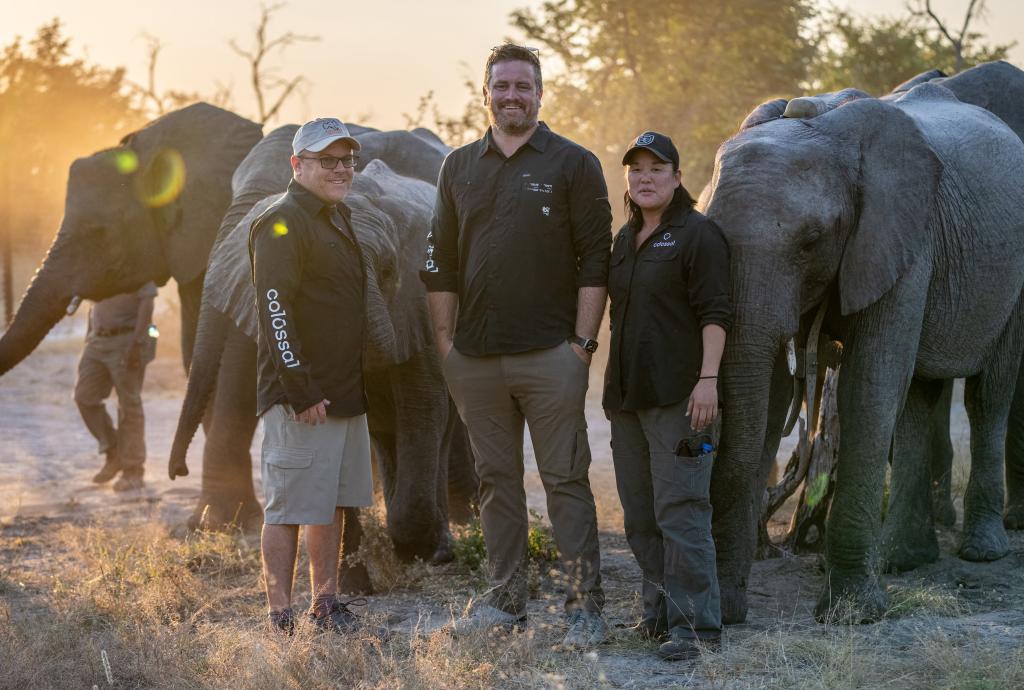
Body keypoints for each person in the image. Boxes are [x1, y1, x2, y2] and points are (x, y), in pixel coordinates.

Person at [421, 43, 612, 649]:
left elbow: (596, 261)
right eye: (500, 86)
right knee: (495, 480)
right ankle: (506, 602)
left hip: (551, 354)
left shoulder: (574, 163)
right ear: (485, 94)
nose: (511, 96)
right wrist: (446, 344)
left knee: (565, 480)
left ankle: (585, 607)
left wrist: (582, 345)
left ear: (539, 93)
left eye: (522, 86)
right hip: (474, 358)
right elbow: (440, 262)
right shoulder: (458, 167)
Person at [603, 132, 732, 660]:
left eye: (658, 168)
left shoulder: (700, 235)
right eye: (636, 169)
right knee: (639, 514)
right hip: (629, 401)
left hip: (683, 402)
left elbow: (716, 313)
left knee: (681, 509)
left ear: (678, 177)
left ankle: (697, 628)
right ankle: (657, 614)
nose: (645, 177)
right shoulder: (624, 238)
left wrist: (708, 381)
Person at [249, 117, 375, 635]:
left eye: (346, 161)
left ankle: (326, 605)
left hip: (342, 394)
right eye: (328, 161)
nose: (340, 169)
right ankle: (279, 616)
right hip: (302, 398)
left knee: (329, 503)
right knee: (288, 508)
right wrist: (301, 388)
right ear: (297, 164)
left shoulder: (335, 216)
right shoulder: (281, 221)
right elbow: (275, 310)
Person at [75, 283, 158, 491]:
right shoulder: (98, 261)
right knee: (84, 396)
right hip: (97, 341)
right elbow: (94, 302)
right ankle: (113, 451)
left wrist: (138, 342)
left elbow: (147, 302)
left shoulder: (136, 260)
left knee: (129, 405)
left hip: (127, 340)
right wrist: (90, 335)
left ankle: (133, 469)